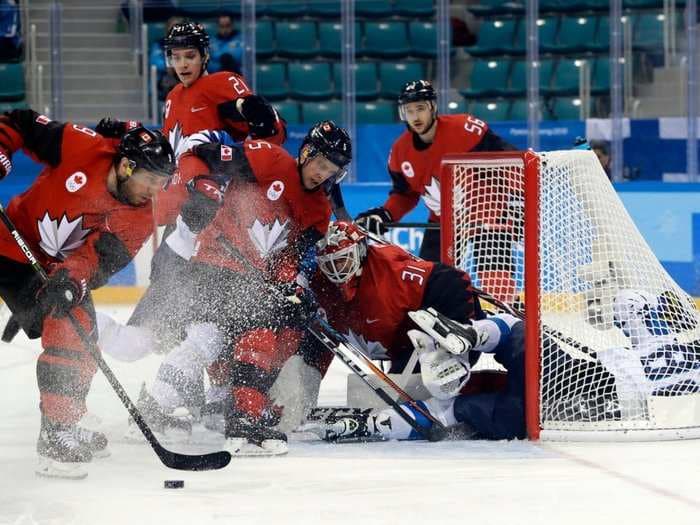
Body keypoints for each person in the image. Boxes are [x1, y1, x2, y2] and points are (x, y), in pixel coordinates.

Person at [103, 122, 352, 456]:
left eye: (331, 170)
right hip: (212, 264)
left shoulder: (319, 209)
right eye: (320, 163)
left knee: (210, 338)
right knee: (244, 330)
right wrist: (202, 185)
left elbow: (295, 257)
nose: (322, 173)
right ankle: (239, 418)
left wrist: (293, 286)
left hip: (250, 281)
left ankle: (161, 407)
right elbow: (201, 154)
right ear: (306, 153)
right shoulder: (270, 160)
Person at [0, 109, 175, 479]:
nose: (154, 191)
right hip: (7, 243)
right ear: (126, 166)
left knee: (80, 332)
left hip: (49, 272)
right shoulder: (83, 146)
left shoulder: (139, 218)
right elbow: (20, 122)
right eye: (149, 180)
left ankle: (60, 428)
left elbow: (94, 262)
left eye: (162, 183)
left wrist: (69, 282)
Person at [304, 221, 526, 442]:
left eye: (342, 261)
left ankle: (466, 339)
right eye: (329, 264)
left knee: (443, 393)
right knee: (403, 398)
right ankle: (470, 346)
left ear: (360, 252)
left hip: (437, 331)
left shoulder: (390, 272)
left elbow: (451, 281)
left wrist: (457, 336)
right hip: (404, 344)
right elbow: (321, 336)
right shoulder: (323, 286)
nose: (336, 270)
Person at [353, 79, 518, 303]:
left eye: (420, 108)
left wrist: (517, 199)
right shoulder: (400, 151)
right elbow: (404, 194)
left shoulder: (465, 129)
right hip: (442, 221)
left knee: (495, 280)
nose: (415, 116)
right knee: (428, 282)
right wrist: (385, 213)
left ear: (433, 107)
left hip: (486, 214)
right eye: (409, 110)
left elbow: (509, 161)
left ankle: (507, 318)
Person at [148, 16, 184, 100]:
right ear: (167, 29)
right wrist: (169, 66)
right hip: (162, 80)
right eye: (173, 27)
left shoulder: (188, 46)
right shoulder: (159, 44)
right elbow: (154, 61)